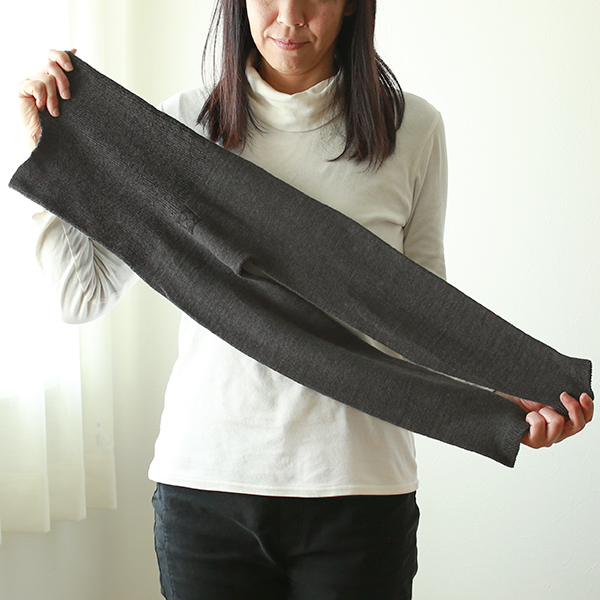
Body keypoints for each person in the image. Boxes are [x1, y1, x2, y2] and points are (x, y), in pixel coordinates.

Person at [17, 1, 593, 598]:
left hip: (360, 493)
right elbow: (80, 295)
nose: (290, 16)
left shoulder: (411, 129)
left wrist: (507, 398)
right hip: (207, 490)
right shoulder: (183, 126)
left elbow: (422, 320)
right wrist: (46, 153)